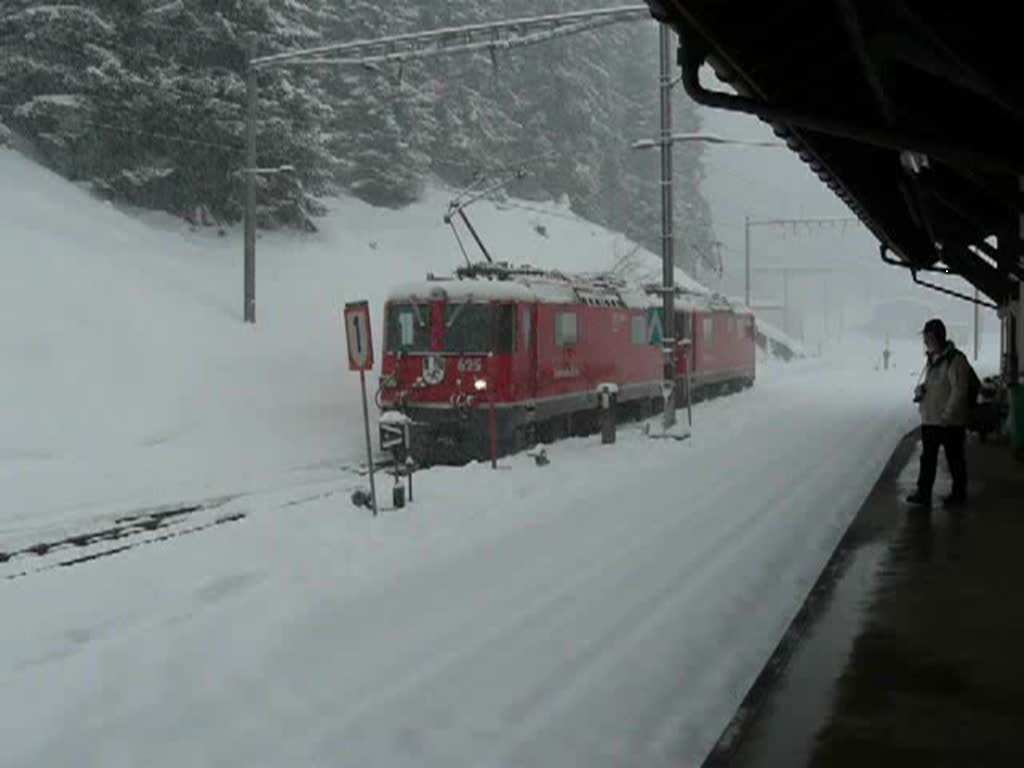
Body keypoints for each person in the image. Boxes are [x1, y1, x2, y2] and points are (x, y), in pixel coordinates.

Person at [907, 318, 970, 508]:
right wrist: (922, 391)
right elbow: (936, 386)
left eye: (928, 337)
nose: (925, 341)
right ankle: (923, 493)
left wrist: (947, 416)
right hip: (931, 420)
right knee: (927, 459)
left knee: (955, 459)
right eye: (925, 337)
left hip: (949, 422)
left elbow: (959, 390)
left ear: (938, 337)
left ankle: (959, 495)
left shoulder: (955, 360)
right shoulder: (933, 360)